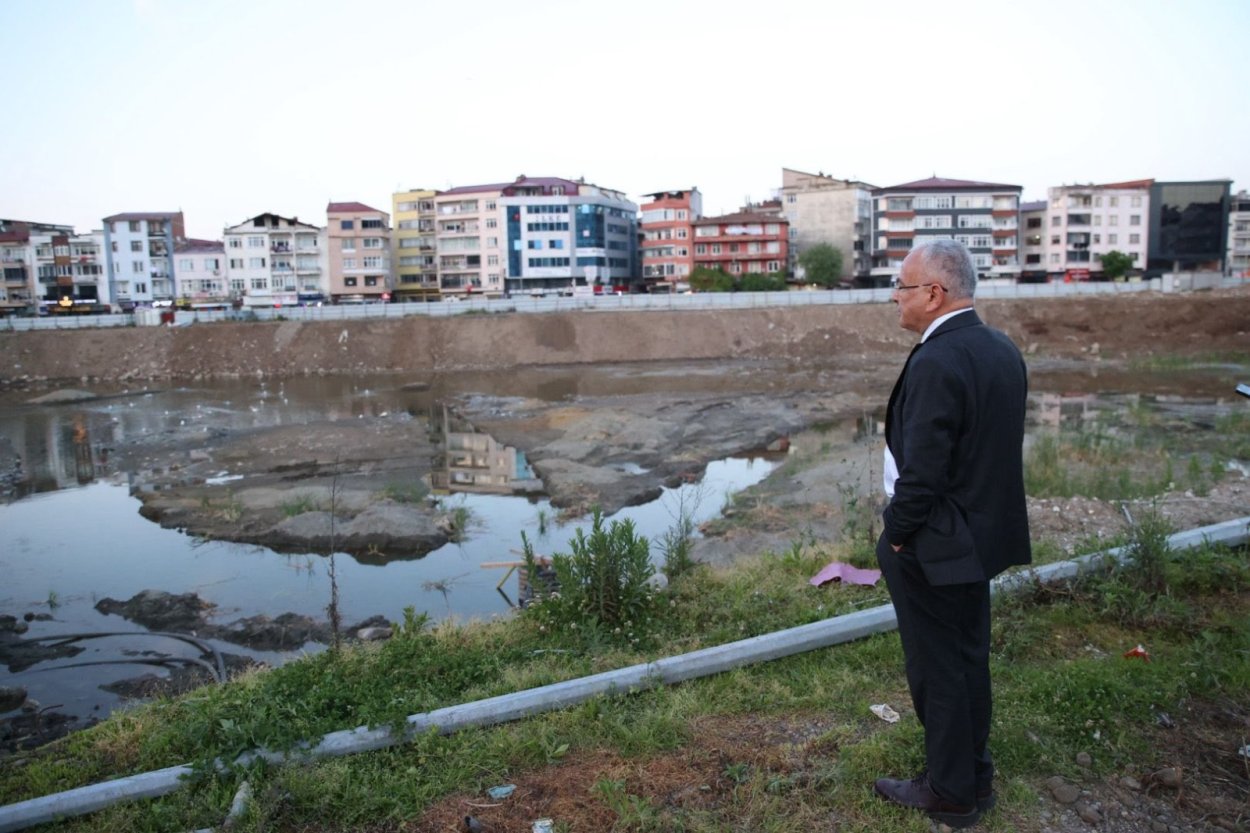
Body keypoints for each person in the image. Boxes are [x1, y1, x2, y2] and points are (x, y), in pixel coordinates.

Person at [873, 239, 1031, 829]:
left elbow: (925, 472)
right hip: (978, 540)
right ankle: (975, 777)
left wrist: (895, 534)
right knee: (967, 662)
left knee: (937, 669)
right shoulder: (999, 348)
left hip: (935, 545)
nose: (896, 297)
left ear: (934, 294)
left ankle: (950, 793)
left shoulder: (938, 358)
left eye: (904, 287)